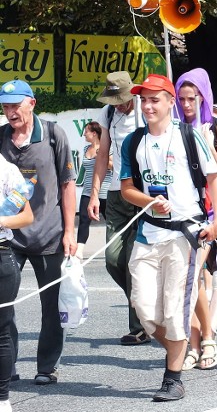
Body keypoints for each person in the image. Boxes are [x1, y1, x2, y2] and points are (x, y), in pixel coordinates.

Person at [120, 74, 217, 401]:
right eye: (144, 99)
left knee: (175, 309)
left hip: (186, 234)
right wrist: (149, 201)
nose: (148, 105)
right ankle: (182, 347)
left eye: (155, 99)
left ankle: (173, 376)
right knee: (146, 312)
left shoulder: (190, 136)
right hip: (148, 234)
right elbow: (126, 189)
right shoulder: (133, 142)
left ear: (170, 102)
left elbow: (214, 179)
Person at [0, 79, 77, 385]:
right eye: (5, 107)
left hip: (48, 232)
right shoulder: (1, 137)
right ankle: (8, 364)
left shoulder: (54, 134)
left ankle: (47, 366)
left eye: (15, 105)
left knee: (52, 305)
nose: (10, 112)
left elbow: (67, 184)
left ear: (31, 103)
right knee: (4, 304)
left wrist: (70, 230)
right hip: (9, 236)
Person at [175, 68, 217, 371]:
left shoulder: (216, 126)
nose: (186, 105)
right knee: (191, 280)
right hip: (178, 213)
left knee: (193, 275)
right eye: (181, 98)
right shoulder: (171, 127)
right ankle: (196, 342)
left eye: (191, 98)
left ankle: (206, 339)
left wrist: (205, 143)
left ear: (202, 97)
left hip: (208, 212)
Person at [88, 71, 149, 346]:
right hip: (114, 193)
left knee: (131, 262)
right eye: (113, 100)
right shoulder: (108, 114)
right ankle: (145, 304)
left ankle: (139, 326)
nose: (118, 104)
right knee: (112, 259)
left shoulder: (145, 110)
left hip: (141, 192)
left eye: (121, 99)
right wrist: (93, 195)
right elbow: (103, 153)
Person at [0, 155, 34, 410]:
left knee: (0, 332)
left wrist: (1, 221)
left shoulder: (7, 171)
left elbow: (26, 217)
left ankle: (2, 399)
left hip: (1, 254)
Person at [76, 121, 112, 257]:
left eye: (86, 131)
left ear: (94, 133)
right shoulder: (86, 149)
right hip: (88, 191)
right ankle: (79, 251)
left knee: (111, 221)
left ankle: (114, 248)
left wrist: (102, 158)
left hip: (105, 192)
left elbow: (113, 167)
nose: (84, 134)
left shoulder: (107, 148)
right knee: (84, 220)